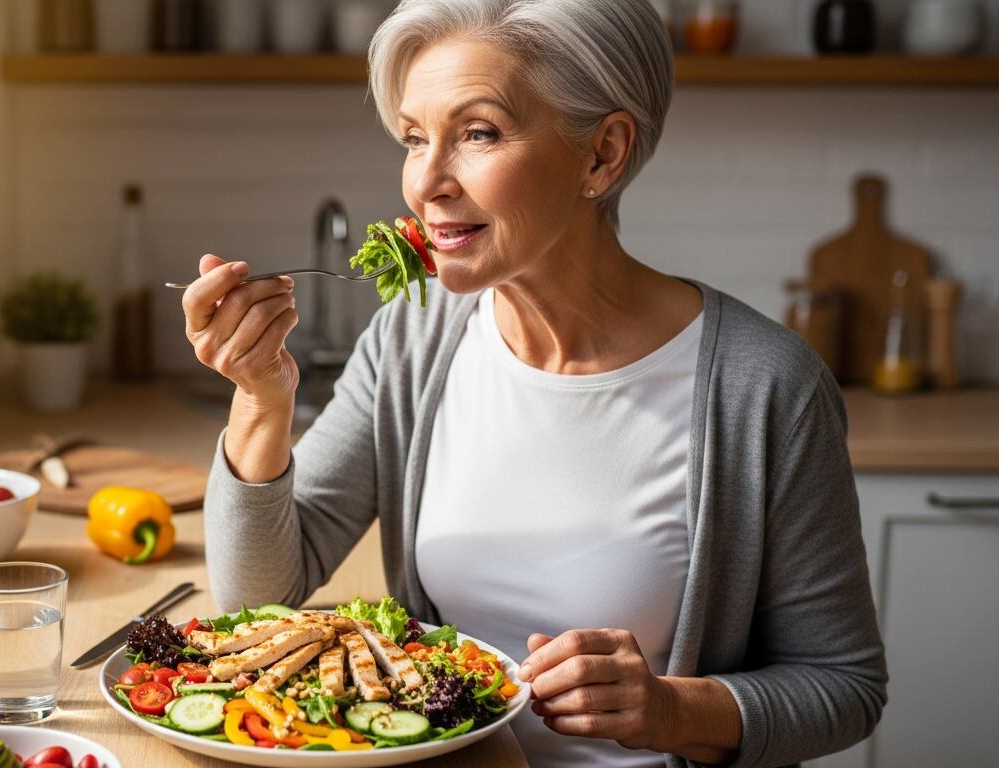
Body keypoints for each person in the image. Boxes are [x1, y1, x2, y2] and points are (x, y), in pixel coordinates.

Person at [178, 1, 886, 765]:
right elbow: (257, 603)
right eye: (415, 139)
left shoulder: (766, 386)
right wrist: (260, 399)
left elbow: (844, 686)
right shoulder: (411, 342)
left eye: (477, 133)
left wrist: (669, 709)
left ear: (602, 156)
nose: (427, 183)